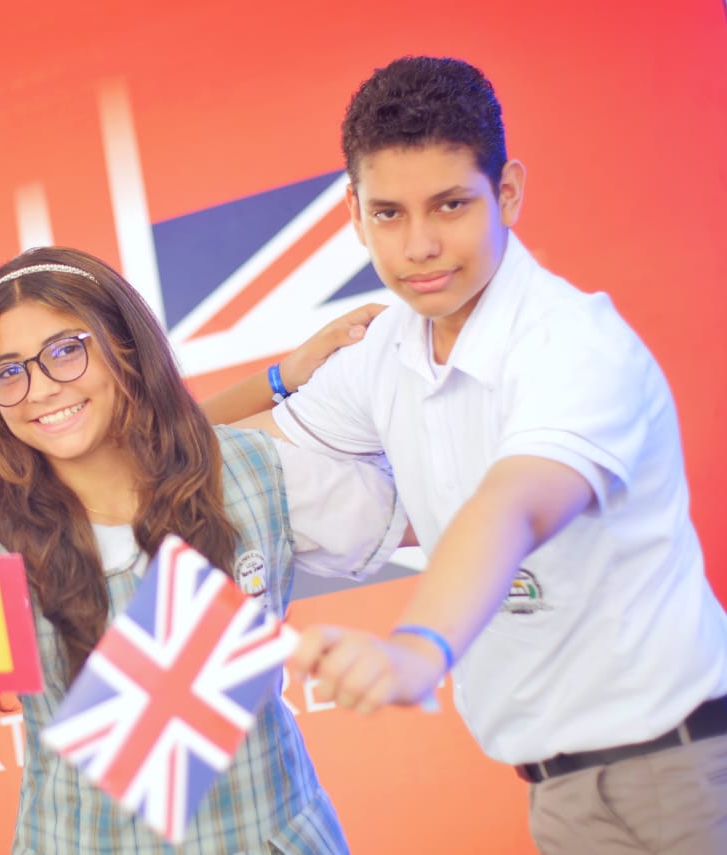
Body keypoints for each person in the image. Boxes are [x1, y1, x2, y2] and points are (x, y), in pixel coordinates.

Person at [237, 56, 727, 853]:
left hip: (686, 769)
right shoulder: (385, 348)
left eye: (451, 205)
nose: (421, 245)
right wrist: (22, 481)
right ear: (354, 216)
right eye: (389, 214)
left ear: (508, 194)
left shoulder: (573, 340)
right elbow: (236, 457)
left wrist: (415, 648)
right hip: (558, 790)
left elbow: (512, 505)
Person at [0, 246, 409, 854]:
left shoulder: (250, 470)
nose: (39, 388)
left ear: (126, 346)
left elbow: (419, 515)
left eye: (66, 351)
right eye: (9, 372)